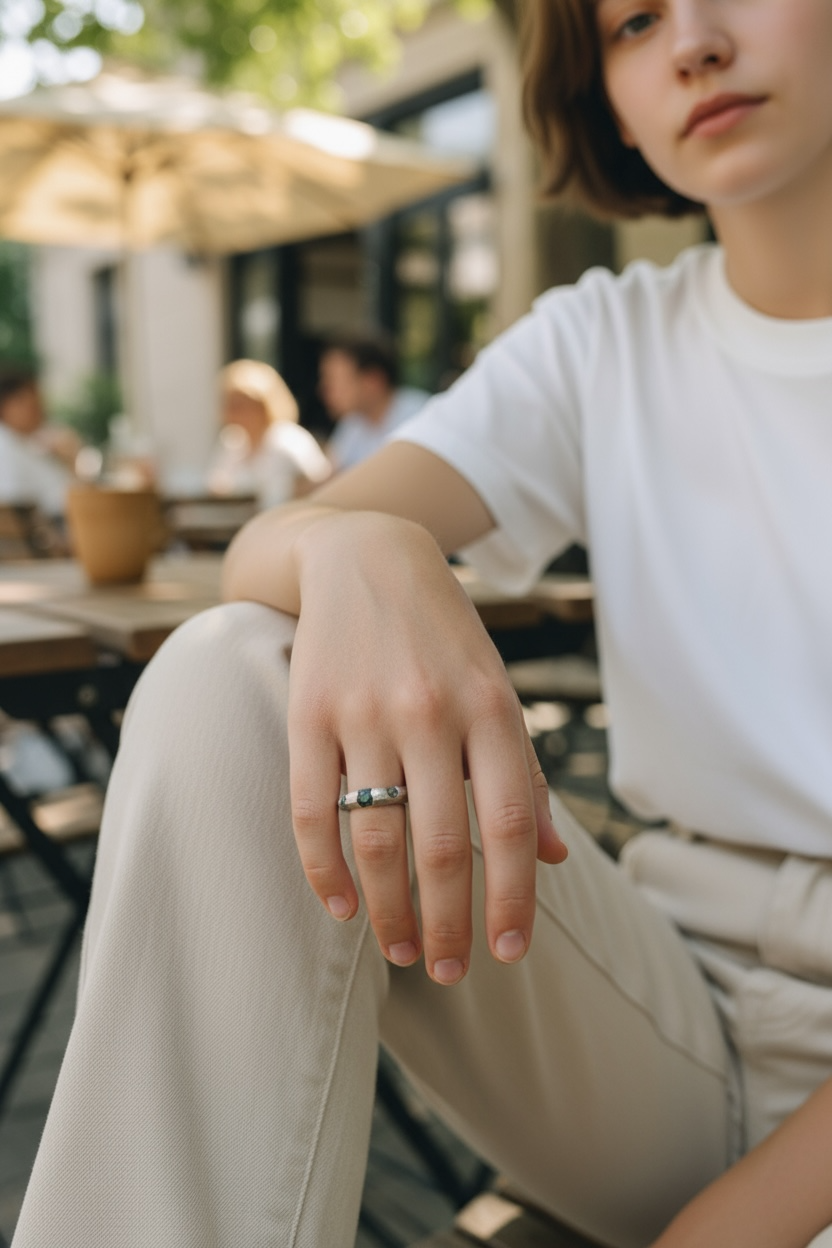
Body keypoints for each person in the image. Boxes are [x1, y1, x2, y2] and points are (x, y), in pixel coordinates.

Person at [11, 2, 832, 1246]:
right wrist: (360, 544)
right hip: (674, 1011)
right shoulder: (603, 344)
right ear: (599, 88)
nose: (693, 44)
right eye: (630, 20)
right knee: (235, 669)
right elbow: (261, 554)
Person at [206, 359, 331, 508]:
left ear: (263, 405)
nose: (230, 412)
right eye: (229, 404)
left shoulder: (289, 440)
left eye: (240, 405)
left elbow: (321, 484)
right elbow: (215, 485)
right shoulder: (232, 442)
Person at [319, 332, 430, 470]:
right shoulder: (352, 423)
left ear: (373, 381)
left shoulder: (420, 418)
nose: (324, 390)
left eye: (334, 380)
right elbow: (331, 476)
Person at [0, 365, 79, 517]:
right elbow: (14, 504)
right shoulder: (6, 449)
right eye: (34, 406)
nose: (42, 412)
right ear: (6, 407)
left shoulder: (22, 443)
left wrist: (67, 460)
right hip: (55, 530)